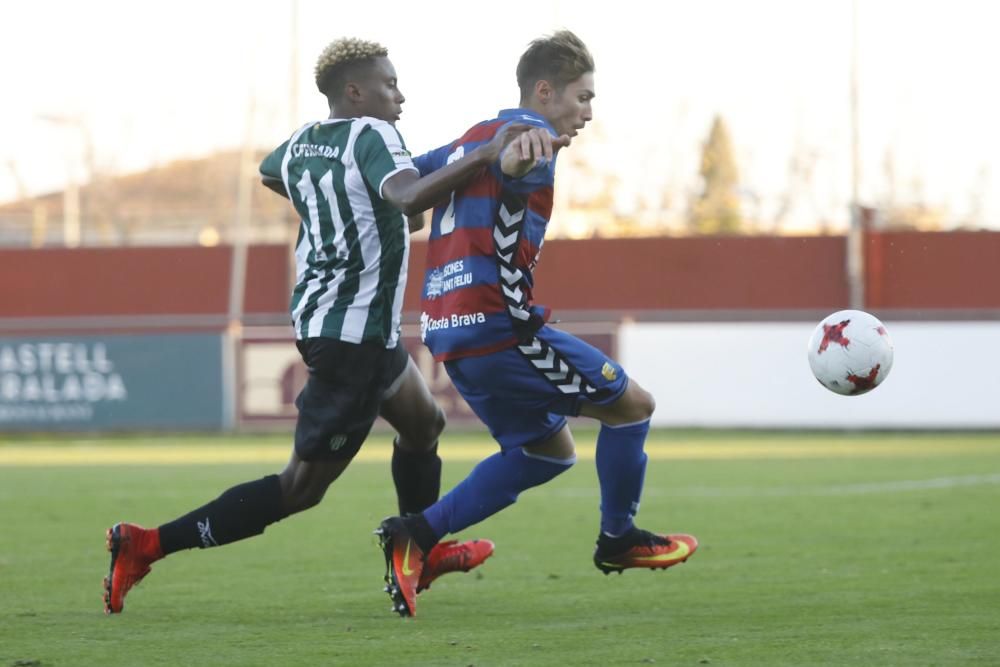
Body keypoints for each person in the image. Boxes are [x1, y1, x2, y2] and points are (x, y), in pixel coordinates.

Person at [102, 37, 552, 615]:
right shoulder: (374, 135)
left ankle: (423, 546)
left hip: (348, 327)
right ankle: (145, 545)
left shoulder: (296, 146)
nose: (401, 96)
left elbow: (274, 174)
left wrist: (338, 206)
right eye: (390, 84)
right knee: (300, 490)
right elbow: (410, 195)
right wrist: (486, 154)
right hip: (352, 338)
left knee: (424, 423)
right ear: (355, 91)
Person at [375, 30, 698, 618]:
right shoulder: (530, 140)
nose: (588, 113)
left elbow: (403, 190)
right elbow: (516, 160)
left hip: (449, 332)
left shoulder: (467, 140)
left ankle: (415, 534)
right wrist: (524, 150)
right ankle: (618, 540)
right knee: (633, 406)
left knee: (547, 451)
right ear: (545, 92)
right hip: (503, 332)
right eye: (583, 97)